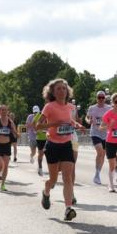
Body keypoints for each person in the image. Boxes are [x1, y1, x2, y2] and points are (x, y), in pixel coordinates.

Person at [36, 79, 85, 221]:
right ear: (52, 91)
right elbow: (38, 126)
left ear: (67, 91)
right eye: (58, 89)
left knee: (67, 178)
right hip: (52, 145)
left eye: (64, 88)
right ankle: (46, 192)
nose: (62, 91)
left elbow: (70, 121)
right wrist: (53, 124)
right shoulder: (49, 107)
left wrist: (78, 125)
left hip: (66, 145)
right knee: (53, 179)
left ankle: (68, 208)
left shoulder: (71, 107)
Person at [85, 91, 111, 185]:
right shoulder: (92, 108)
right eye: (99, 97)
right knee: (100, 152)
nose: (100, 99)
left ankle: (97, 174)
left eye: (102, 97)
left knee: (103, 155)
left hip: (105, 134)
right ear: (96, 98)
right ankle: (97, 174)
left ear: (105, 98)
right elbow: (87, 117)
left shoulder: (109, 108)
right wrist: (88, 121)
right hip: (95, 133)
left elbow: (113, 117)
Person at [30, 105, 48, 175]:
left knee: (48, 154)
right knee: (41, 154)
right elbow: (33, 123)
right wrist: (35, 130)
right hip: (40, 138)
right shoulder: (39, 114)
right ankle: (40, 167)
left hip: (48, 137)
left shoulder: (50, 113)